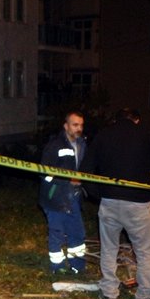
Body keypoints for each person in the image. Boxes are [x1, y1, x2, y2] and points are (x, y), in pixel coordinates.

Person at [80, 108, 150, 299]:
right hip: (139, 204)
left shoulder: (103, 135)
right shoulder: (147, 134)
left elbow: (85, 170)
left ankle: (109, 293)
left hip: (109, 202)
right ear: (136, 120)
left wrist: (97, 194)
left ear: (116, 119)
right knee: (145, 252)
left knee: (109, 247)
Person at [38, 110, 87, 274]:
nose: (78, 128)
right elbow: (44, 173)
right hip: (55, 197)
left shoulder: (82, 144)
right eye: (75, 125)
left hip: (74, 197)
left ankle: (77, 267)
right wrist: (65, 180)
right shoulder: (54, 145)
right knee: (57, 233)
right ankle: (57, 268)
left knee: (77, 233)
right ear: (66, 126)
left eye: (81, 125)